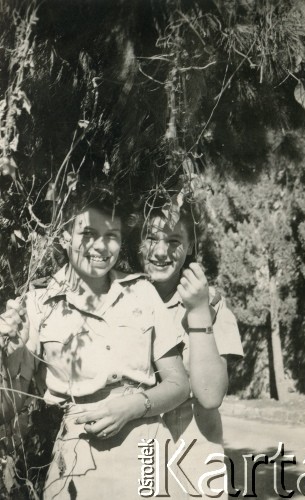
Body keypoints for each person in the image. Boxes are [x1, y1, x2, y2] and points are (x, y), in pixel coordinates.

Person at [0, 189, 190, 499]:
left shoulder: (141, 292)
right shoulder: (36, 306)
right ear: (65, 236)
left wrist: (131, 406)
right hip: (78, 462)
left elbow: (179, 384)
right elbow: (7, 407)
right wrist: (3, 351)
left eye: (111, 235)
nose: (101, 246)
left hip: (146, 451)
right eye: (89, 233)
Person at [136, 195, 244, 498]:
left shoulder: (212, 306)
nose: (160, 251)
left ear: (191, 246)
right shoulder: (121, 299)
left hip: (194, 454)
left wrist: (197, 311)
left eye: (174, 241)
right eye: (150, 237)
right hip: (134, 453)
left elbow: (210, 396)